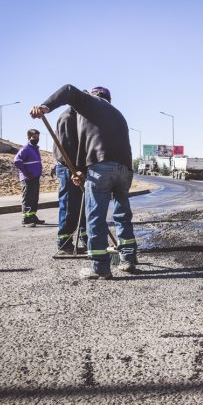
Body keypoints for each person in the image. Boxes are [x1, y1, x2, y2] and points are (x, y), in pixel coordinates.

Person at [30, 85, 137, 280]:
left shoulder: (89, 102)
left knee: (95, 215)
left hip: (101, 167)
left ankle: (99, 267)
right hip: (125, 168)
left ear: (92, 95)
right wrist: (82, 170)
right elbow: (99, 141)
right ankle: (128, 259)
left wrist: (45, 107)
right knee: (122, 214)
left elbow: (69, 90)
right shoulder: (116, 113)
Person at [53, 106, 87, 255]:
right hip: (69, 168)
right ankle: (64, 244)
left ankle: (86, 240)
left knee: (83, 206)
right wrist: (76, 169)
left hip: (77, 168)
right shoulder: (68, 118)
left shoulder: (78, 117)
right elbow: (68, 148)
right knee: (69, 207)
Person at [13, 129, 45, 227]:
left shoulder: (35, 148)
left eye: (38, 137)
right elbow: (17, 161)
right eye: (34, 137)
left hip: (35, 177)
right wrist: (26, 173)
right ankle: (26, 220)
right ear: (28, 137)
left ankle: (32, 216)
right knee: (28, 198)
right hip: (28, 178)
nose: (37, 139)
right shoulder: (26, 148)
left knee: (34, 198)